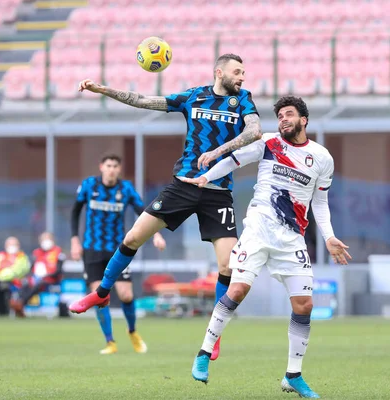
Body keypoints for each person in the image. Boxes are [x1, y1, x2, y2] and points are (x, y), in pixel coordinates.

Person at [68, 53, 262, 361]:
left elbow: (254, 132)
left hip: (218, 192)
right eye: (237, 72)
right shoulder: (193, 97)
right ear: (219, 72)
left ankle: (215, 332)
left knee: (228, 266)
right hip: (183, 185)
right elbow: (144, 101)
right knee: (132, 238)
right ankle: (101, 294)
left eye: (244, 72)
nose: (242, 77)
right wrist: (104, 90)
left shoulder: (243, 101)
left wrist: (218, 153)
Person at [186, 96, 351, 398]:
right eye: (280, 116)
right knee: (237, 291)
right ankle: (203, 353)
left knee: (305, 306)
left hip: (292, 238)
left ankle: (293, 375)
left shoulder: (322, 157)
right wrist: (205, 177)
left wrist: (328, 237)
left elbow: (321, 202)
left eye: (289, 115)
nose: (283, 120)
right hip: (259, 229)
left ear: (304, 120)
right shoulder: (269, 143)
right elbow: (234, 160)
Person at [71, 154, 167, 355]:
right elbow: (75, 211)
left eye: (115, 166)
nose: (112, 169)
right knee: (99, 294)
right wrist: (74, 240)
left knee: (126, 294)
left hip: (118, 250)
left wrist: (156, 234)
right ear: (101, 166)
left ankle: (132, 331)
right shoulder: (89, 185)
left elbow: (144, 212)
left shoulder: (126, 189)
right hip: (92, 249)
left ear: (119, 169)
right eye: (108, 165)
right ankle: (110, 342)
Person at [10, 232, 66, 318]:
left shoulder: (58, 252)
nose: (46, 242)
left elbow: (58, 271)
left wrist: (46, 275)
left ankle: (21, 304)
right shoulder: (37, 253)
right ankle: (17, 303)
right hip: (36, 279)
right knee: (26, 284)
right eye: (43, 239)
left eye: (48, 239)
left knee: (39, 283)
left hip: (51, 280)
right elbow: (31, 269)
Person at [0, 237, 30, 316]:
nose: (11, 246)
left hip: (14, 283)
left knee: (5, 287)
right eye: (9, 244)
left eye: (14, 244)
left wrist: (2, 278)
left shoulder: (21, 257)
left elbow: (16, 271)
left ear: (18, 245)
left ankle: (7, 310)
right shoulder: (1, 256)